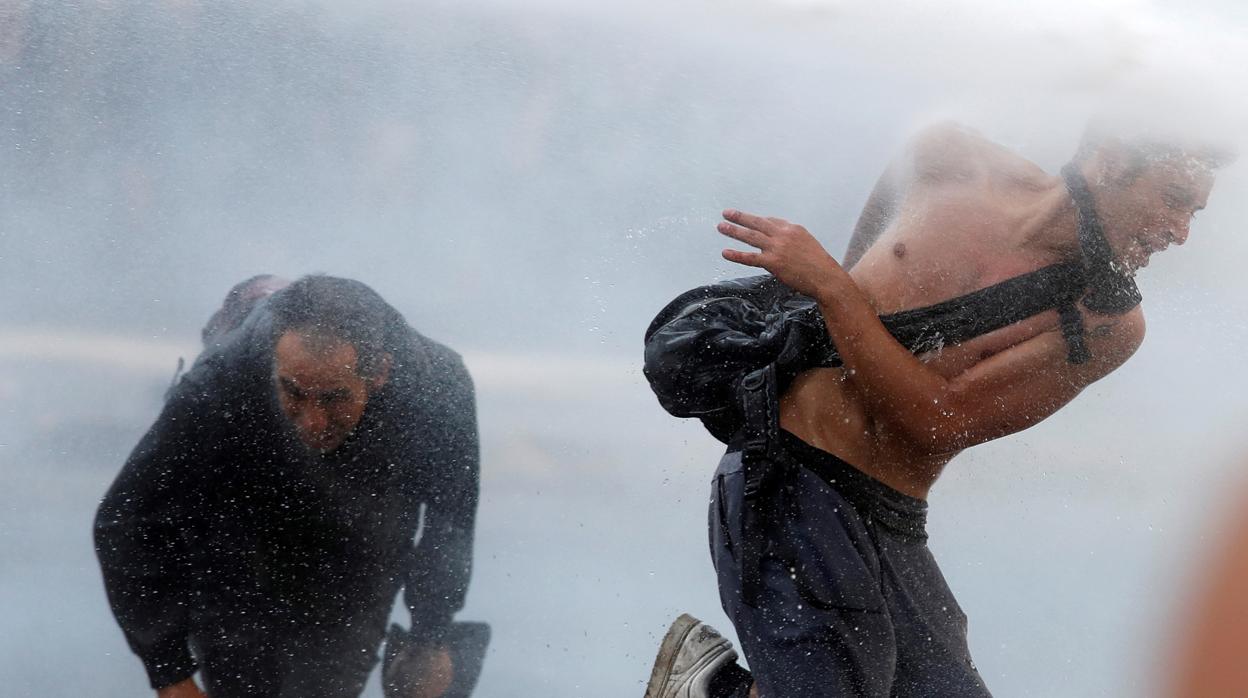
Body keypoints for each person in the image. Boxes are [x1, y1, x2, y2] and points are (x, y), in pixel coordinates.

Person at [641, 121, 1231, 697]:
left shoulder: (1105, 324)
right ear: (1107, 159)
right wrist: (838, 292)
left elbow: (935, 419)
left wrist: (835, 291)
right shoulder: (947, 158)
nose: (1179, 232)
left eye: (1194, 213)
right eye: (1173, 200)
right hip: (791, 480)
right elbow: (849, 284)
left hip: (895, 521)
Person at [94, 274, 479, 698]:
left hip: (360, 543)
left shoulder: (437, 385)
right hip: (238, 531)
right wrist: (170, 673)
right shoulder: (222, 378)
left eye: (334, 398)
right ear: (272, 367)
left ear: (380, 373)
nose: (313, 421)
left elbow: (451, 519)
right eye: (293, 392)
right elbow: (126, 519)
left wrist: (430, 634)